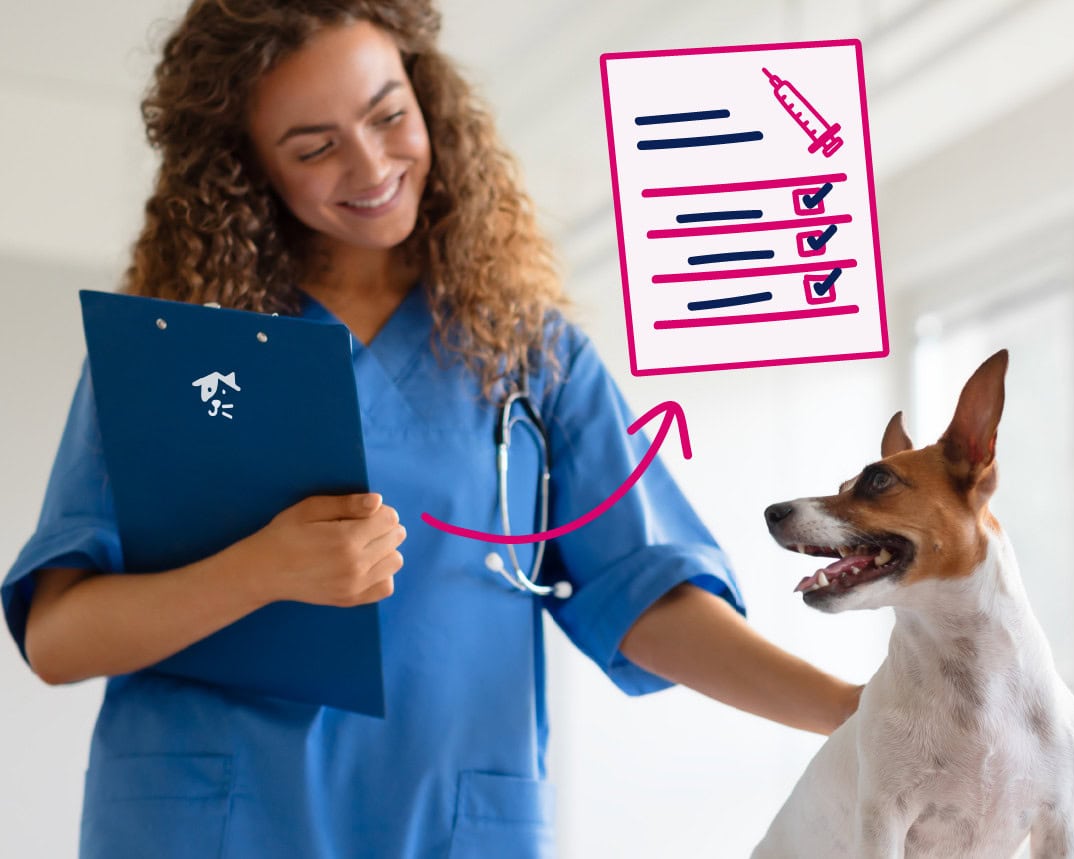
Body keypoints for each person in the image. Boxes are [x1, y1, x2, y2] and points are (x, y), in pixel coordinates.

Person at [1, 2, 861, 856]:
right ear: (246, 165)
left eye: (388, 115)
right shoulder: (174, 349)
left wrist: (859, 711)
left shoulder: (531, 355)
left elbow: (642, 595)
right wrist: (259, 569)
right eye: (313, 147)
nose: (371, 164)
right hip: (210, 825)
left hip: (448, 823)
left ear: (427, 97)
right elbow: (57, 636)